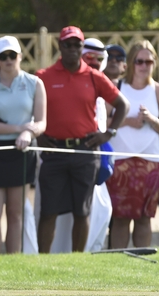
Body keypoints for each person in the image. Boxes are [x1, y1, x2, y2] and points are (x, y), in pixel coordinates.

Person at [35, 26, 129, 253]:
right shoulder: (43, 77)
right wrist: (38, 136)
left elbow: (122, 104)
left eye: (77, 45)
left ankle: (78, 260)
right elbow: (31, 109)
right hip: (54, 151)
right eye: (68, 44)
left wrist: (109, 133)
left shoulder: (93, 76)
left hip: (85, 151)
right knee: (49, 211)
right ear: (60, 46)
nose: (72, 49)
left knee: (82, 210)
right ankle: (41, 261)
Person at [0, 35, 46, 254]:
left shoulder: (35, 82)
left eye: (12, 55)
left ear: (20, 56)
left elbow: (42, 122)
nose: (8, 60)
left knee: (16, 212)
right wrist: (20, 128)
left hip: (22, 152)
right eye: (3, 56)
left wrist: (29, 131)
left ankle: (13, 259)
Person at [106, 41, 159, 248]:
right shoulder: (116, 87)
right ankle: (118, 265)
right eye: (139, 61)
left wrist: (151, 119)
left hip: (151, 161)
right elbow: (102, 121)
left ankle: (140, 264)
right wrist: (128, 121)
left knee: (144, 218)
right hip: (120, 160)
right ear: (131, 63)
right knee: (120, 218)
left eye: (149, 61)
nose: (144, 65)